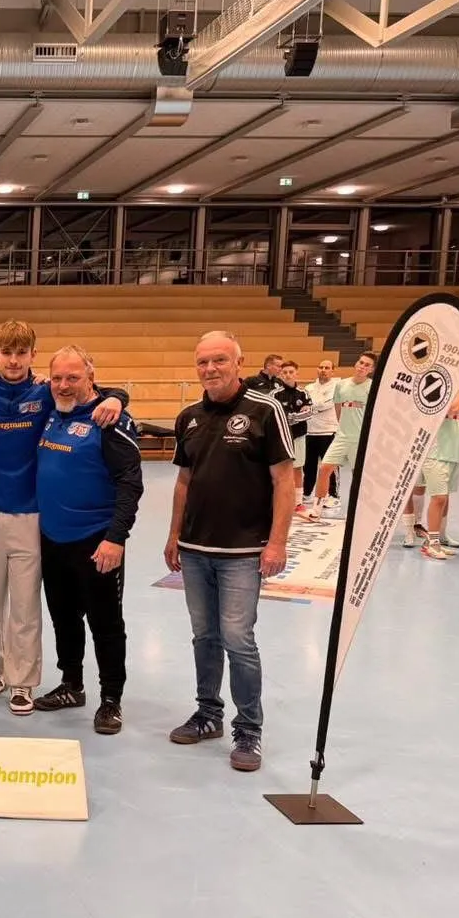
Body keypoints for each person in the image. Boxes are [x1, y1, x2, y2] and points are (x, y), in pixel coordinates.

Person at [0, 321, 123, 715]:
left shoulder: (46, 392)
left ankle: (23, 680)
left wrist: (118, 397)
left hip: (32, 514)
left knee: (25, 604)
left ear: (32, 355)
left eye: (21, 353)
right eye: (6, 352)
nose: (13, 360)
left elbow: (90, 395)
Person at [165, 331, 294, 773]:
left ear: (239, 362)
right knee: (204, 636)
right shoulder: (189, 417)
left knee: (238, 638)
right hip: (194, 550)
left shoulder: (265, 410)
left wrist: (277, 542)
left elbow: (284, 480)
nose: (210, 369)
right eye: (203, 362)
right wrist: (173, 535)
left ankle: (249, 729)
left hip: (243, 552)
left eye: (219, 360)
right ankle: (208, 714)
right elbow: (183, 482)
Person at [34, 345, 143, 734]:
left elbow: (130, 484)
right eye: (57, 378)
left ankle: (111, 699)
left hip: (96, 541)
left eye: (73, 377)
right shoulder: (51, 412)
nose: (63, 385)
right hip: (52, 538)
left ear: (90, 378)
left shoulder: (109, 420)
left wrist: (116, 538)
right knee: (64, 617)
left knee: (105, 623)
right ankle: (71, 685)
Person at [405, 387, 459, 558]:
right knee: (439, 497)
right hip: (436, 453)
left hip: (454, 454)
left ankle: (440, 538)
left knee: (445, 497)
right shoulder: (442, 392)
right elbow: (453, 409)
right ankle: (432, 543)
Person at [307, 352, 375, 519]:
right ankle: (317, 509)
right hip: (342, 436)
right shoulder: (341, 385)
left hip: (360, 439)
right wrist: (342, 427)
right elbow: (338, 408)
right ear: (356, 363)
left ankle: (357, 511)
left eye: (367, 365)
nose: (362, 366)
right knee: (324, 469)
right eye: (361, 362)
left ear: (371, 369)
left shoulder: (372, 387)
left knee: (358, 476)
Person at [268, 360, 313, 514]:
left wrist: (291, 417)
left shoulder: (303, 393)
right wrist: (296, 415)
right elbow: (273, 414)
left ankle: (298, 502)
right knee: (279, 468)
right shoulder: (274, 394)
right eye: (285, 372)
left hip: (298, 435)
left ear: (296, 374)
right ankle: (278, 500)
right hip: (280, 436)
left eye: (291, 372)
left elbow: (309, 413)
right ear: (281, 374)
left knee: (298, 468)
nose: (288, 375)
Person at [304, 359, 340, 505]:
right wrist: (314, 406)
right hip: (310, 431)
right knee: (308, 466)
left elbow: (326, 404)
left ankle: (333, 495)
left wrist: (312, 407)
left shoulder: (337, 387)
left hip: (328, 431)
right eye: (321, 367)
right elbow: (305, 405)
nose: (323, 370)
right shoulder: (309, 388)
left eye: (327, 367)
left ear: (332, 371)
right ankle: (306, 493)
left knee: (329, 465)